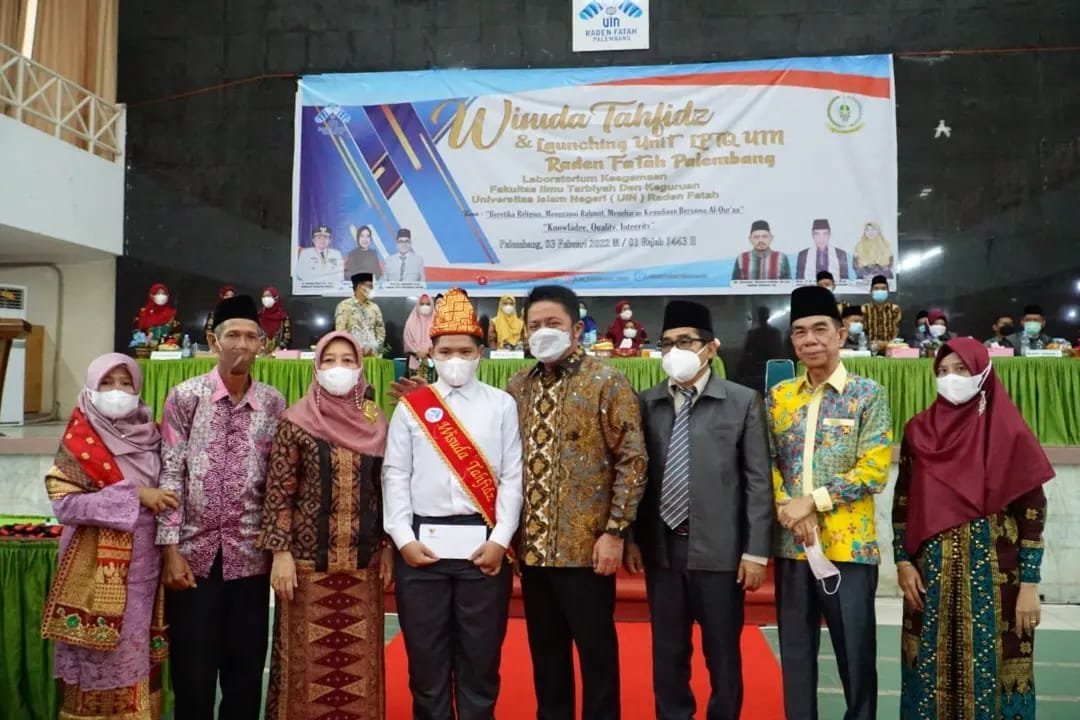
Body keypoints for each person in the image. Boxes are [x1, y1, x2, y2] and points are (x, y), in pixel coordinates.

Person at [626, 300, 772, 720]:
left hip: (721, 551)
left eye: (686, 341)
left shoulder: (742, 402)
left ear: (711, 347)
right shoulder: (646, 402)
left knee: (722, 651)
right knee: (668, 651)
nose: (675, 351)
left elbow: (758, 481)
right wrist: (632, 539)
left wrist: (756, 551)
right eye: (667, 343)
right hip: (663, 550)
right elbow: (634, 477)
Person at [508, 284, 648, 720]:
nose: (542, 332)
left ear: (575, 329)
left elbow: (633, 459)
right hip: (533, 550)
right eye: (534, 325)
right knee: (546, 656)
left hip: (587, 549)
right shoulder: (518, 386)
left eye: (553, 323)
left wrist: (615, 532)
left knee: (596, 653)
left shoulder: (606, 381)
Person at [383, 288, 523, 719]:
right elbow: (395, 475)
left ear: (480, 352)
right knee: (426, 661)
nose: (455, 359)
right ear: (432, 353)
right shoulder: (413, 408)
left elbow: (513, 477)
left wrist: (501, 539)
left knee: (481, 659)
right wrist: (403, 539)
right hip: (420, 547)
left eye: (465, 351)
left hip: (484, 548)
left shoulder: (501, 405)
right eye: (446, 351)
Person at [893, 338, 1052, 719]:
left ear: (983, 373)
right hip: (929, 580)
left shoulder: (1009, 434)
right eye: (943, 371)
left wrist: (1030, 584)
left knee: (999, 678)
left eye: (961, 369)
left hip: (998, 582)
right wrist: (903, 561)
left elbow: (1032, 514)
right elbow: (904, 503)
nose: (951, 378)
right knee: (926, 674)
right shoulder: (918, 432)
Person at [156, 295, 287, 720]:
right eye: (233, 335)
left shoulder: (274, 403)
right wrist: (170, 550)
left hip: (249, 558)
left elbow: (279, 481)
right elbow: (170, 473)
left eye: (251, 336)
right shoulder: (185, 397)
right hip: (193, 559)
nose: (242, 344)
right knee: (193, 677)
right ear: (214, 341)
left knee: (244, 676)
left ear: (262, 344)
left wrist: (278, 548)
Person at [767, 285, 893, 720]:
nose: (810, 340)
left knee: (855, 654)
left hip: (848, 549)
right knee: (796, 655)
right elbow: (766, 461)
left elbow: (873, 470)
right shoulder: (780, 397)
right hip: (792, 547)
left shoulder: (868, 394)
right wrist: (787, 507)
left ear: (841, 334)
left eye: (820, 329)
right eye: (800, 332)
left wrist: (812, 502)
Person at [258, 331, 392, 720]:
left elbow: (385, 488)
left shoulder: (374, 418)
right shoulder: (296, 420)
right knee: (303, 666)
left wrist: (387, 547)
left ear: (360, 367)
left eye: (347, 360)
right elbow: (279, 491)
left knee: (359, 669)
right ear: (317, 367)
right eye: (329, 360)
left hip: (363, 565)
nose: (338, 368)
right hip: (305, 567)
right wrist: (280, 553)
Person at [41, 354, 174, 720]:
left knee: (139, 658)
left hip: (147, 570)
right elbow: (65, 504)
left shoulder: (153, 435)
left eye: (125, 382)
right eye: (107, 382)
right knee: (97, 662)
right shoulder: (80, 439)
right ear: (90, 388)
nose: (117, 391)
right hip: (95, 571)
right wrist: (136, 495)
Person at [335, 272, 386, 356]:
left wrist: (377, 349)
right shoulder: (344, 306)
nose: (372, 289)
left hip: (372, 356)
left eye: (372, 287)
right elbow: (340, 332)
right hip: (352, 354)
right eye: (369, 286)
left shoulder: (374, 307)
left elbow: (380, 331)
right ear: (359, 287)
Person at [736, 306, 785, 391]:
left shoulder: (753, 333)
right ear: (768, 316)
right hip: (769, 368)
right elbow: (780, 351)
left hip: (757, 370)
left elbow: (746, 352)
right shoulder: (775, 332)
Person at [861, 274, 902, 353]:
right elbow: (862, 334)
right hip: (868, 351)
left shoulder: (895, 309)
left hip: (889, 350)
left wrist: (885, 344)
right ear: (871, 291)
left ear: (888, 291)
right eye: (876, 288)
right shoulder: (864, 309)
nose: (880, 291)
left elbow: (895, 333)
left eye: (883, 289)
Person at [133, 282, 180, 347]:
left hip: (167, 348)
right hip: (146, 349)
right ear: (151, 295)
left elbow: (177, 333)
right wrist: (144, 341)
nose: (161, 296)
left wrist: (169, 341)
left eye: (164, 293)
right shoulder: (144, 313)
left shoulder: (172, 313)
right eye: (158, 293)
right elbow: (137, 332)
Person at [403, 293, 435, 375]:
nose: (425, 306)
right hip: (414, 359)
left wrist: (427, 351)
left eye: (428, 304)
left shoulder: (437, 321)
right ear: (417, 305)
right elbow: (407, 340)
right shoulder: (410, 322)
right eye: (422, 304)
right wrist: (417, 351)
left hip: (433, 360)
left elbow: (439, 340)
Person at [258, 286, 292, 353]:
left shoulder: (283, 317)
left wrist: (280, 348)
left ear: (276, 298)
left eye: (268, 296)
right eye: (264, 296)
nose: (265, 298)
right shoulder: (259, 316)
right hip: (260, 353)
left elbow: (287, 338)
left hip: (278, 354)